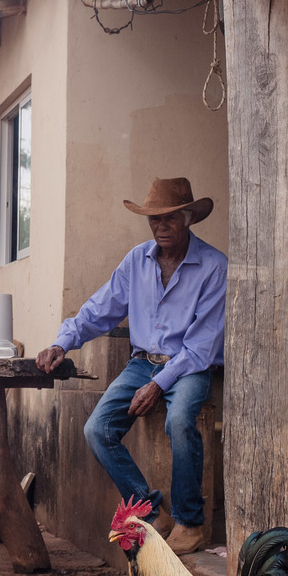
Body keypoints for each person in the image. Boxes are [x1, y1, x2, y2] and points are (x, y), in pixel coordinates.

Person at [35, 177, 226, 556]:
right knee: (97, 429)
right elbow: (99, 309)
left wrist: (159, 384)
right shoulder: (136, 260)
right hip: (141, 364)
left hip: (189, 365)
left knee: (180, 421)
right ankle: (153, 513)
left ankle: (190, 522)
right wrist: (62, 341)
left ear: (188, 217)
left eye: (170, 218)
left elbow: (202, 345)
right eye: (154, 219)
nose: (161, 227)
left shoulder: (214, 266)